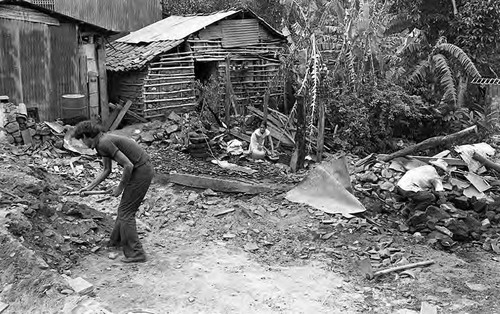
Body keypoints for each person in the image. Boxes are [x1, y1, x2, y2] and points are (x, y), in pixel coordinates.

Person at [72, 121, 154, 263]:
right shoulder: (102, 142)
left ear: (86, 136)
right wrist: (89, 187)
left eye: (82, 140)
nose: (84, 145)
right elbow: (106, 170)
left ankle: (136, 253)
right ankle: (116, 241)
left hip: (141, 171)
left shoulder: (104, 142)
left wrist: (120, 188)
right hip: (139, 170)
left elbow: (128, 165)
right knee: (123, 210)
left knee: (126, 212)